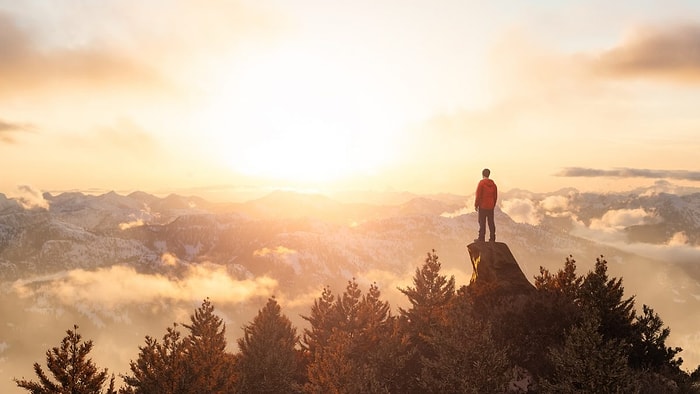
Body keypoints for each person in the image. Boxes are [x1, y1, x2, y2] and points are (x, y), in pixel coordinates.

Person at [474, 168, 497, 242]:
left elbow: (478, 195)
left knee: (482, 222)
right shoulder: (493, 185)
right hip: (490, 206)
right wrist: (493, 204)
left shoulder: (481, 183)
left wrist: (476, 205)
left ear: (482, 174)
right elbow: (495, 196)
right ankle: (492, 238)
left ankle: (481, 238)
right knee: (491, 222)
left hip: (483, 206)